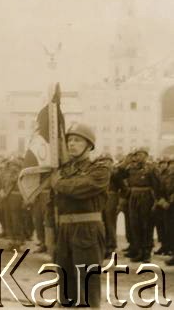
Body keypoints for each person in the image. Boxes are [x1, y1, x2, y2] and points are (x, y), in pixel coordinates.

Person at [48, 123, 110, 308]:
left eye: (77, 140)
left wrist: (57, 182)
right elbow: (51, 204)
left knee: (87, 281)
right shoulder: (62, 170)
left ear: (89, 145)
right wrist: (50, 232)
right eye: (69, 140)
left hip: (87, 230)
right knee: (65, 282)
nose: (71, 144)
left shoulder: (100, 169)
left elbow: (79, 188)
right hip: (63, 230)